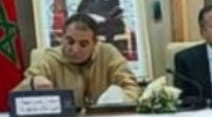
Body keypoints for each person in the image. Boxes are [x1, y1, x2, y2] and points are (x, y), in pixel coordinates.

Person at [12, 14, 140, 107]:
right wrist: (32, 84)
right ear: (62, 38)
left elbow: (131, 88)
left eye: (83, 44)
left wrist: (118, 103)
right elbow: (15, 98)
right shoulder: (48, 59)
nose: (75, 49)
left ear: (95, 43)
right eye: (70, 42)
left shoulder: (108, 54)